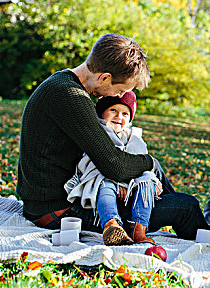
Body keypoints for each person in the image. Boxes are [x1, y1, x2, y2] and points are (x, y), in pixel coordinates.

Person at [17, 34, 210, 240]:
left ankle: (181, 212)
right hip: (60, 212)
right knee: (186, 206)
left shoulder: (61, 82)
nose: (117, 97)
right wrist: (148, 162)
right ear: (104, 77)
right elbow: (114, 165)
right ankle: (202, 228)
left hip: (50, 201)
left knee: (156, 171)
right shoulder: (72, 97)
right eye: (120, 90)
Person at [65, 91, 165, 245]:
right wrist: (117, 179)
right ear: (102, 112)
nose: (119, 116)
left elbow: (138, 162)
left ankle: (139, 228)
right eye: (113, 110)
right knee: (104, 184)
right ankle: (111, 224)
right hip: (102, 175)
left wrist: (125, 181)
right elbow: (96, 163)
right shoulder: (98, 132)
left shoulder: (133, 137)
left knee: (147, 181)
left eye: (125, 113)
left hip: (131, 181)